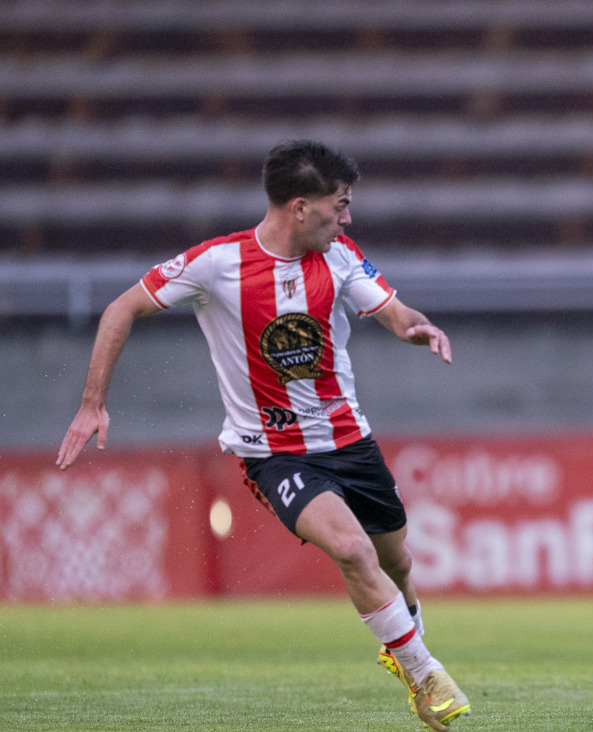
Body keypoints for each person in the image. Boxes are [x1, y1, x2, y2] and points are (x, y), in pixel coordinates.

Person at [55, 140, 470, 731]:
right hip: (273, 452)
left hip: (351, 441)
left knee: (396, 562)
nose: (347, 217)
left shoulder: (342, 255)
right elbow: (120, 309)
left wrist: (417, 328)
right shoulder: (215, 263)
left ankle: (404, 650)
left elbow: (394, 313)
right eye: (340, 204)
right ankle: (425, 673)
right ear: (300, 207)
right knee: (351, 549)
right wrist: (92, 403)